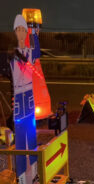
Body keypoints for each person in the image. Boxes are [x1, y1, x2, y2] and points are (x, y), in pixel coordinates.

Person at [10, 14, 38, 184]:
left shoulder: (29, 52)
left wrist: (35, 33)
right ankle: (21, 177)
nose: (21, 33)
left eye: (23, 30)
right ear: (15, 32)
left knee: (32, 137)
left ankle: (35, 172)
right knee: (20, 141)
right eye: (18, 30)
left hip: (30, 98)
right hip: (19, 99)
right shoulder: (11, 55)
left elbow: (38, 51)